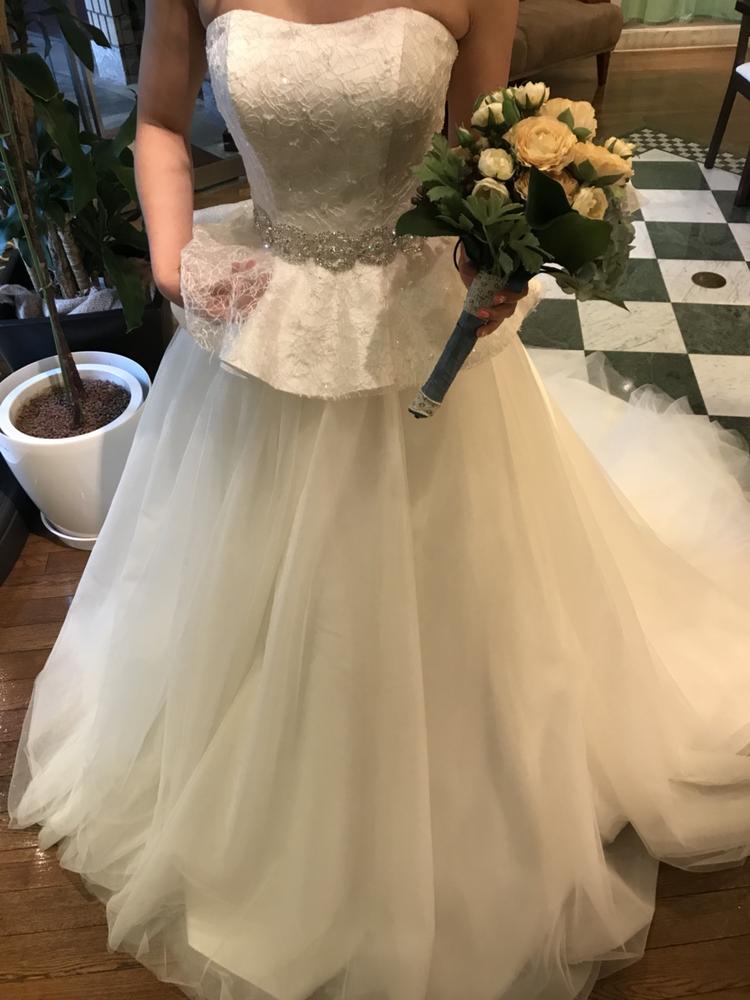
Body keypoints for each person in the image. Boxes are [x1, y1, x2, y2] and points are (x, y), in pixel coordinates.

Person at [9, 3, 750, 999]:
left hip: (414, 315)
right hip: (262, 315)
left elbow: (481, 146)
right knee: (253, 593)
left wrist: (493, 255)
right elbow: (157, 123)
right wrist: (176, 258)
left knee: (449, 588)